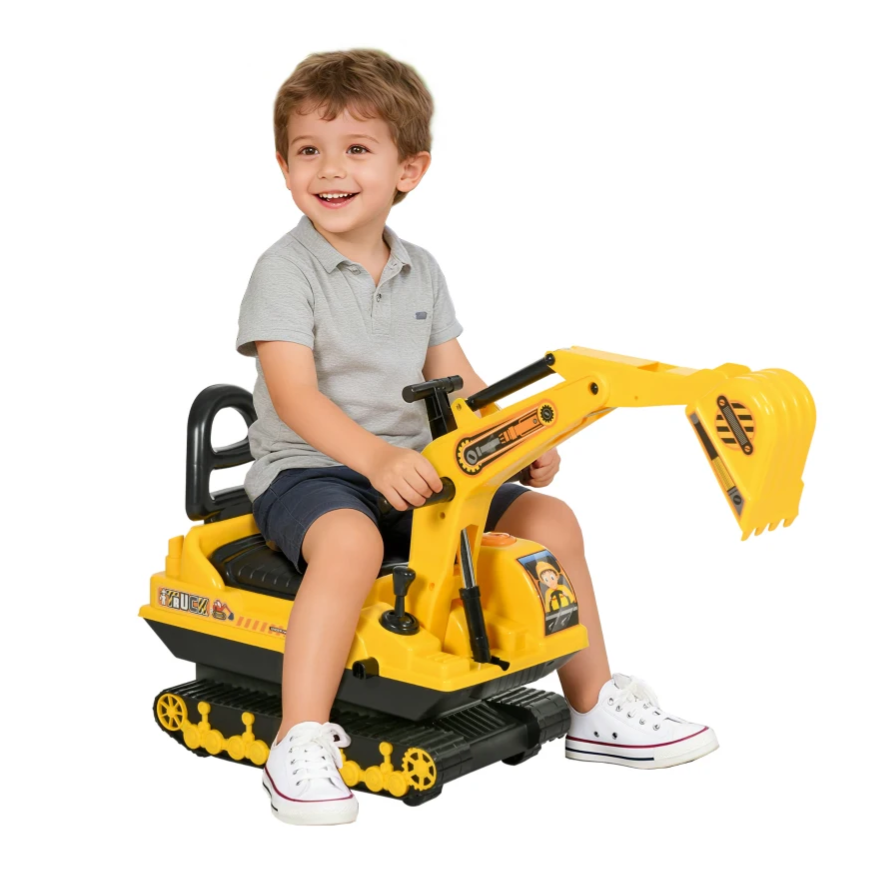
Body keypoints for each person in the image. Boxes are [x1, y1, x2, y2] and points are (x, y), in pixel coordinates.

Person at [236, 49, 718, 827]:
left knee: (552, 523)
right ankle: (299, 740)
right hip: (314, 469)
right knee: (352, 546)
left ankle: (592, 708)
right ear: (284, 165)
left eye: (358, 149)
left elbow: (457, 379)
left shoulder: (421, 271)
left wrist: (514, 440)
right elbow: (292, 396)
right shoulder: (284, 271)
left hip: (418, 469)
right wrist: (374, 458)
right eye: (308, 150)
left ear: (409, 169)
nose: (330, 168)